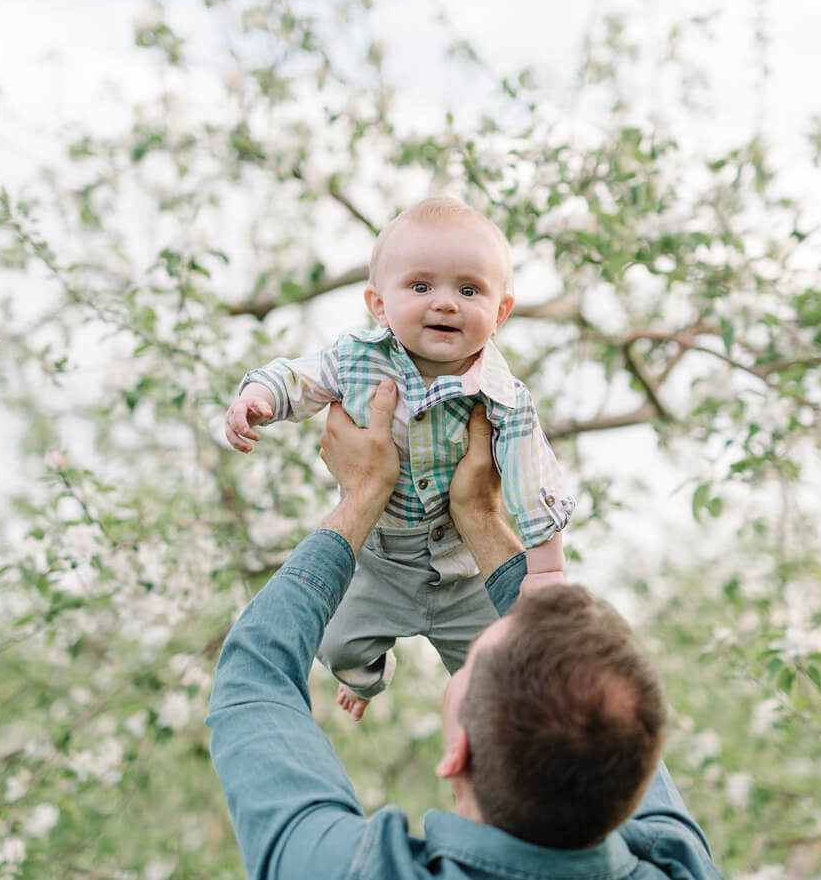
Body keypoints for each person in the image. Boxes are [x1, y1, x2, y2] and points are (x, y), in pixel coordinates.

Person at [207, 379, 725, 880]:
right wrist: (478, 515)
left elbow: (255, 678)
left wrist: (364, 493)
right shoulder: (676, 864)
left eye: (473, 661)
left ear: (459, 753)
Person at [223, 196, 574, 719]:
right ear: (379, 305)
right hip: (380, 560)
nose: (446, 303)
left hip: (464, 569)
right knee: (338, 646)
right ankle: (369, 677)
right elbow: (303, 375)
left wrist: (545, 573)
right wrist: (262, 397)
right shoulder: (358, 360)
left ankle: (486, 716)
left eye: (469, 289)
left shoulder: (504, 397)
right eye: (421, 286)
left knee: (503, 671)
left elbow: (532, 480)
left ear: (500, 312)